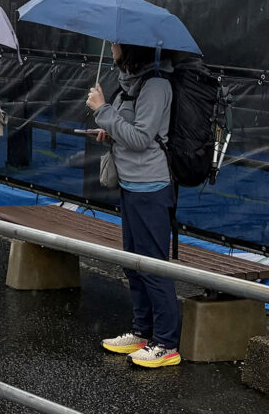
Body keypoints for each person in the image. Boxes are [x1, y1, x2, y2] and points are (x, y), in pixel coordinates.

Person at [87, 43, 181, 369]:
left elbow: (141, 138)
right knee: (133, 263)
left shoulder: (156, 86)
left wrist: (103, 110)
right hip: (130, 185)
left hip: (150, 188)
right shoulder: (128, 83)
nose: (112, 46)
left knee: (153, 267)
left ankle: (166, 343)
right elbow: (127, 131)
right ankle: (142, 332)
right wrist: (108, 130)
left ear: (131, 48)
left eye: (116, 42)